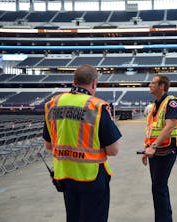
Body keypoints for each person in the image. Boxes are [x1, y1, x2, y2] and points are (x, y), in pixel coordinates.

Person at [43, 64, 122, 222]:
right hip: (91, 176)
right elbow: (113, 150)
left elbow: (48, 145)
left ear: (74, 81)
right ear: (94, 83)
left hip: (65, 174)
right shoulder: (97, 106)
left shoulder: (53, 103)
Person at [142, 74, 177, 222]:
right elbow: (151, 131)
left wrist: (153, 146)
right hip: (155, 152)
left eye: (153, 83)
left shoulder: (171, 103)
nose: (150, 85)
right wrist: (147, 149)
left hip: (166, 151)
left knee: (159, 187)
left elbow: (170, 126)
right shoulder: (154, 106)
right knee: (157, 188)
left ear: (162, 86)